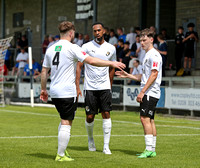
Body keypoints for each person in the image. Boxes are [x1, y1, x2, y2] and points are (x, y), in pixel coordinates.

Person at [40, 21, 125, 162]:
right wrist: (111, 63)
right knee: (67, 122)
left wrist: (43, 89)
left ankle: (63, 150)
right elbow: (90, 61)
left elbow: (44, 71)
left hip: (54, 91)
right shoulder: (73, 48)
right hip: (67, 91)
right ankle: (60, 155)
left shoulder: (51, 48)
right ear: (71, 33)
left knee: (63, 120)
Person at [115, 28, 162, 158]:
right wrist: (128, 75)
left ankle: (148, 149)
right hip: (150, 91)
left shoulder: (154, 54)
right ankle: (151, 149)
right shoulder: (147, 55)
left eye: (144, 40)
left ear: (151, 40)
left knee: (144, 118)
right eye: (140, 40)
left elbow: (154, 75)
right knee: (150, 120)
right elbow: (144, 76)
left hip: (150, 92)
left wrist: (142, 92)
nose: (141, 43)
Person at [76, 22, 116, 155]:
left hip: (104, 87)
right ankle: (90, 139)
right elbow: (79, 66)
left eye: (99, 30)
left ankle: (106, 146)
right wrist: (77, 85)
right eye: (94, 31)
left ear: (104, 31)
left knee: (106, 114)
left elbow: (112, 67)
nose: (97, 33)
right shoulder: (86, 47)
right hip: (90, 87)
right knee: (90, 116)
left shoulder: (111, 48)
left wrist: (109, 85)